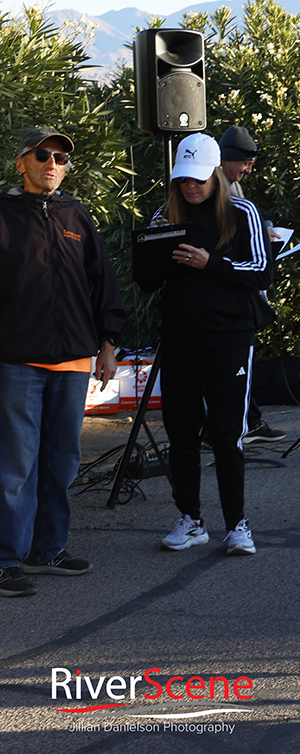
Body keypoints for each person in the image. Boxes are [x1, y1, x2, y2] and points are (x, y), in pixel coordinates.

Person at [0, 127, 125, 597]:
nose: (52, 163)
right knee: (16, 464)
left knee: (61, 461)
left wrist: (108, 345)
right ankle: (5, 558)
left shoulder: (77, 215)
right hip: (16, 360)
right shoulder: (4, 214)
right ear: (21, 162)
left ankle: (46, 550)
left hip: (74, 358)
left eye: (60, 158)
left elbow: (102, 284)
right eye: (42, 155)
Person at [154, 133, 272, 556]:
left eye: (198, 180)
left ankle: (237, 524)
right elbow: (147, 275)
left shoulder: (242, 212)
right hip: (180, 339)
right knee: (181, 431)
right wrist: (153, 257)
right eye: (183, 180)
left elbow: (261, 272)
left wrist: (210, 263)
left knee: (226, 434)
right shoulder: (165, 214)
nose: (191, 188)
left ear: (217, 175)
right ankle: (190, 519)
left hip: (229, 339)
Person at [218, 125, 286, 445]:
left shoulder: (233, 186)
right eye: (245, 163)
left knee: (238, 367)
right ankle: (237, 428)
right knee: (229, 369)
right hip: (227, 293)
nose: (248, 169)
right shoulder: (215, 188)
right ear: (227, 159)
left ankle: (250, 421)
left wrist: (265, 230)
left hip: (238, 288)